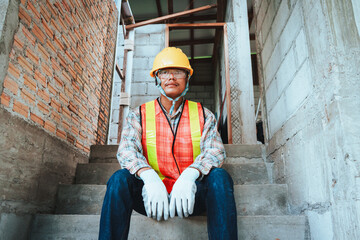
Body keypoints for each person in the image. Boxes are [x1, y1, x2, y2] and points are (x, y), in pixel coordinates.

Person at [99, 47, 237, 240]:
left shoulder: (204, 115)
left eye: (178, 72)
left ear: (187, 78)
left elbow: (215, 151)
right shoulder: (139, 115)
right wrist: (148, 177)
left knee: (220, 177)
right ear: (157, 78)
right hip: (152, 196)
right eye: (164, 72)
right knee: (119, 179)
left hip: (191, 195)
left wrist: (191, 175)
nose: (171, 77)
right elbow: (126, 150)